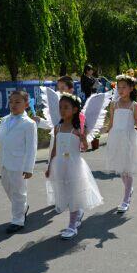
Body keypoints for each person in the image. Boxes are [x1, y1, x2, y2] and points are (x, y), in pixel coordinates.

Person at [45, 94, 103, 239]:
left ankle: (72, 226)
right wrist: (50, 166)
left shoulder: (77, 129)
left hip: (74, 165)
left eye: (66, 107)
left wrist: (83, 139)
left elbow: (84, 147)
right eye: (60, 107)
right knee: (64, 192)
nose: (62, 110)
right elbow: (55, 149)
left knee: (73, 194)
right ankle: (77, 215)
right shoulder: (57, 128)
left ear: (75, 110)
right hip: (59, 165)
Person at [0, 91, 37, 234]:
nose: (13, 105)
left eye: (17, 102)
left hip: (19, 163)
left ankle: (18, 220)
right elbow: (0, 139)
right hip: (5, 162)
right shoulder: (5, 119)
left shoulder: (29, 124)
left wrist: (29, 168)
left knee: (19, 192)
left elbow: (32, 147)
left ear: (26, 104)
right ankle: (23, 208)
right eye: (11, 102)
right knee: (8, 188)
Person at [106, 75, 137, 213]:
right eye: (118, 87)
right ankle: (128, 189)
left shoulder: (134, 105)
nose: (121, 90)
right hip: (116, 138)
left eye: (124, 87)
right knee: (120, 168)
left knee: (126, 169)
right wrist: (107, 132)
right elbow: (111, 123)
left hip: (129, 138)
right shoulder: (114, 104)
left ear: (131, 88)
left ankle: (126, 198)